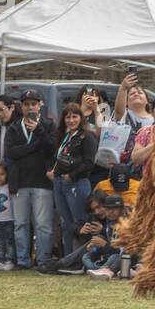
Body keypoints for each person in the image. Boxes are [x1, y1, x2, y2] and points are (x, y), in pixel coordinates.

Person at [6, 90, 55, 269]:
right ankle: (23, 260)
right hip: (20, 182)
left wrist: (39, 132)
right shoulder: (14, 127)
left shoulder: (48, 125)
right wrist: (35, 146)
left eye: (33, 104)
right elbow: (11, 152)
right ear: (21, 106)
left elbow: (51, 149)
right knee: (20, 224)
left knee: (43, 224)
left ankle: (43, 259)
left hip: (42, 181)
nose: (30, 107)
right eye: (26, 104)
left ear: (39, 105)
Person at [48, 102, 97, 254]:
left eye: (74, 116)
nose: (71, 120)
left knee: (80, 223)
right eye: (68, 117)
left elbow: (89, 163)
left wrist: (72, 175)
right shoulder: (63, 136)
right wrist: (53, 171)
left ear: (81, 118)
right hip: (59, 182)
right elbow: (58, 157)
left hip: (77, 183)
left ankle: (80, 258)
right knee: (66, 224)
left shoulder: (87, 137)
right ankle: (68, 258)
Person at [84, 194, 132, 280]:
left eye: (114, 208)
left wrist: (104, 245)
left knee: (117, 256)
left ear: (122, 209)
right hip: (113, 257)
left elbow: (123, 250)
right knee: (86, 256)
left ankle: (106, 270)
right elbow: (111, 247)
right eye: (108, 209)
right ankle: (103, 268)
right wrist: (95, 248)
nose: (111, 211)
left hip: (130, 257)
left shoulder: (127, 222)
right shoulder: (109, 222)